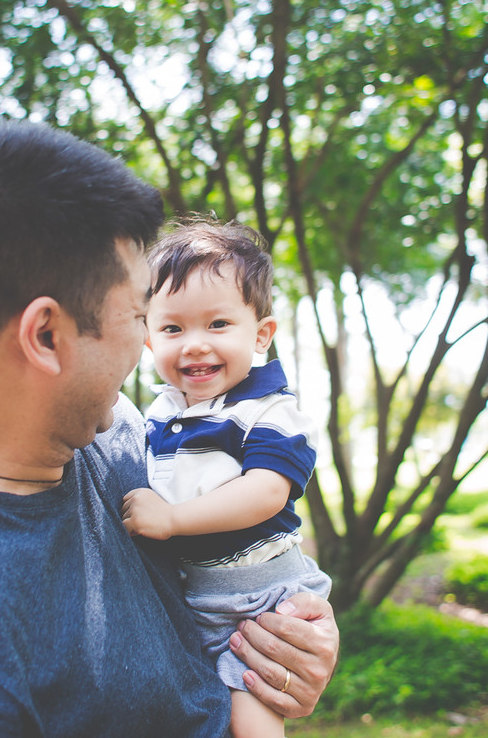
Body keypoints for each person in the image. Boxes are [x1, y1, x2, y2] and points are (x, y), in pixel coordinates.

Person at [0, 121, 338, 738]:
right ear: (47, 336)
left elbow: (227, 576)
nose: (150, 346)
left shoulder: (118, 433)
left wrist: (290, 644)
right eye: (139, 316)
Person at [120, 220, 333, 738]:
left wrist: (173, 519)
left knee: (249, 710)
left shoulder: (269, 410)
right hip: (194, 600)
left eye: (217, 324)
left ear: (260, 334)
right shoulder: (158, 414)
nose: (194, 345)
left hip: (257, 600)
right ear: (148, 338)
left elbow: (266, 491)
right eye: (172, 329)